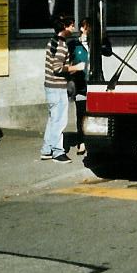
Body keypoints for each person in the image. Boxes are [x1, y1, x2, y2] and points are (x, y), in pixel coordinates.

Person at [41, 14, 77, 164]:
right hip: (58, 87)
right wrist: (76, 67)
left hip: (50, 86)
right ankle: (57, 152)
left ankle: (46, 150)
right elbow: (57, 68)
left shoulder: (53, 41)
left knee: (52, 119)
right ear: (65, 27)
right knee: (59, 121)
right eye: (72, 25)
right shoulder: (62, 46)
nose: (73, 28)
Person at [68, 18, 90, 155]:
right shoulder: (74, 44)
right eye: (88, 27)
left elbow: (108, 51)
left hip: (95, 85)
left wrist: (103, 37)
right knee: (81, 114)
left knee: (93, 115)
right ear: (82, 29)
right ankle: (81, 141)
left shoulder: (96, 43)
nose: (91, 30)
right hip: (80, 85)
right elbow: (67, 63)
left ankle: (91, 141)